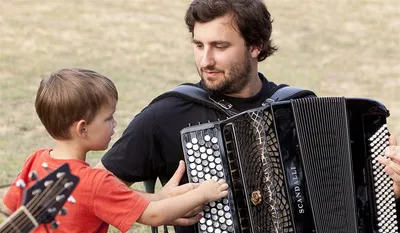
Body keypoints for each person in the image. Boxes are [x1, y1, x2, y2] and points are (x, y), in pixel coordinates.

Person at [96, 0, 399, 232]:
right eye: (198, 45)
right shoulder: (166, 114)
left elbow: (342, 203)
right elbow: (91, 189)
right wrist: (158, 203)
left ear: (255, 46)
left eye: (220, 46)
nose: (205, 60)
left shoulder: (300, 108)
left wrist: (391, 191)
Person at [1, 68, 229, 233]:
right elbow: (155, 215)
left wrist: (158, 197)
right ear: (83, 128)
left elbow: (9, 210)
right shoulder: (94, 182)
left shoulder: (36, 160)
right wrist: (203, 194)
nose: (114, 124)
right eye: (108, 118)